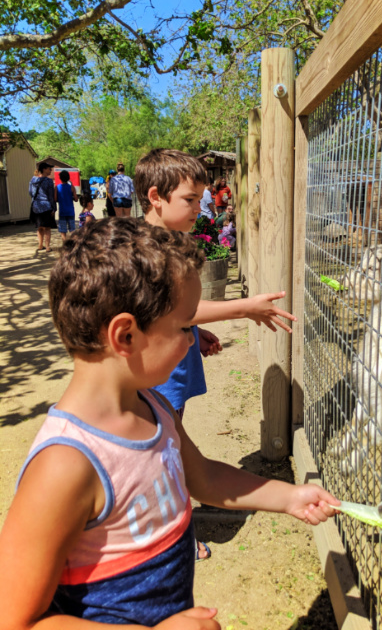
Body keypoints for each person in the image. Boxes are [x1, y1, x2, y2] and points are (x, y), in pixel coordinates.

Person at [0, 217, 340, 629]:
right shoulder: (66, 466)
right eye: (185, 327)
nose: (192, 339)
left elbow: (205, 479)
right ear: (125, 336)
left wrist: (288, 497)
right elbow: (15, 619)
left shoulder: (154, 407)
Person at [134, 149, 299, 560]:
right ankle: (171, 530)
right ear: (156, 196)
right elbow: (170, 310)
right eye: (190, 199)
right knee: (162, 448)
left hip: (175, 353)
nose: (200, 207)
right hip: (159, 367)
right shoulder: (147, 248)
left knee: (172, 441)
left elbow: (178, 311)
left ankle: (181, 506)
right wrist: (244, 307)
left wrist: (195, 328)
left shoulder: (172, 241)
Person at [30, 161, 57, 254]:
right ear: (44, 169)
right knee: (47, 228)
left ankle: (40, 245)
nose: (51, 171)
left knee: (40, 227)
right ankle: (48, 247)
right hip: (46, 206)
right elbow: (51, 196)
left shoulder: (33, 180)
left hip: (36, 207)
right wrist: (54, 208)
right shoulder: (48, 181)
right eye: (49, 169)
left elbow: (30, 193)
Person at [55, 170, 78, 242]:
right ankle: (73, 243)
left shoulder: (57, 187)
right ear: (68, 178)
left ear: (60, 178)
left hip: (62, 211)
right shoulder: (71, 187)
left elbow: (55, 199)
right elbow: (76, 199)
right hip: (70, 211)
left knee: (63, 230)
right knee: (72, 229)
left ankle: (65, 244)